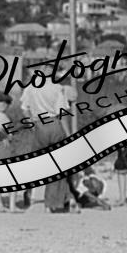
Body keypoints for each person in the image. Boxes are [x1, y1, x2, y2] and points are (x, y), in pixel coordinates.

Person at [20, 71, 79, 214]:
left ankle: (33, 196)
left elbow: (24, 109)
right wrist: (69, 135)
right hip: (54, 124)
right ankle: (54, 202)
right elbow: (61, 114)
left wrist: (32, 125)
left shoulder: (30, 88)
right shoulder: (57, 88)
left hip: (39, 125)